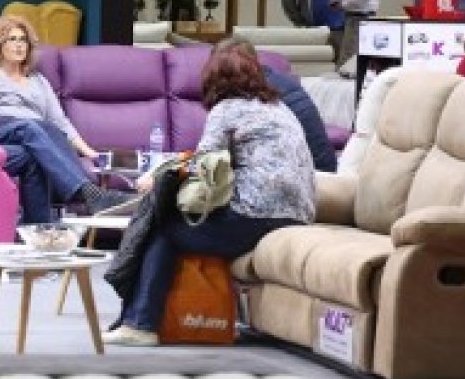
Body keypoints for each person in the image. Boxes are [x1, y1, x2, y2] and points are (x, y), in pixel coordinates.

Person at [104, 38, 316, 347]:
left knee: (163, 228)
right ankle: (141, 319)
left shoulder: (226, 110)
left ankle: (140, 324)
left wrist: (156, 178)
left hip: (254, 216)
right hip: (298, 216)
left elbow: (201, 164)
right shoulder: (280, 108)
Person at [0, 15, 133, 223]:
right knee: (30, 127)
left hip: (36, 134)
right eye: (12, 39)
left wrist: (89, 152)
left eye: (23, 40)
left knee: (36, 148)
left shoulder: (39, 81)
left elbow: (60, 121)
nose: (19, 45)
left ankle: (40, 228)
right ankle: (87, 194)